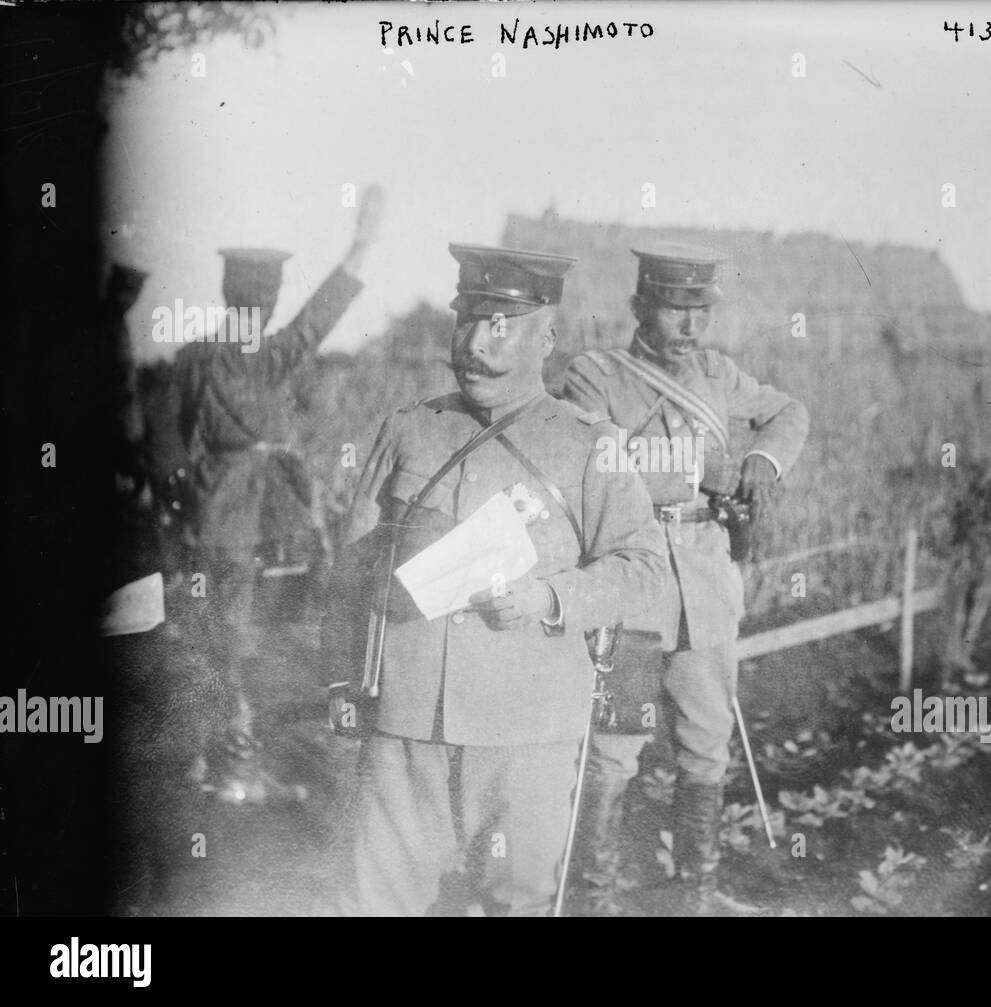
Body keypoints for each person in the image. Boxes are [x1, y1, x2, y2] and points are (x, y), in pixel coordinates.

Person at [320, 244, 668, 916]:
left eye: (503, 327)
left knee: (518, 901)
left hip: (527, 731)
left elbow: (644, 566)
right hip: (406, 724)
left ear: (549, 337)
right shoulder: (409, 430)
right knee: (371, 903)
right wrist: (344, 678)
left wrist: (550, 596)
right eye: (469, 321)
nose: (478, 344)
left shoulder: (587, 444)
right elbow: (353, 563)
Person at [562, 242, 810, 914]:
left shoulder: (722, 377)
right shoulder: (595, 377)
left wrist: (761, 460)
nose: (689, 323)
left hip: (702, 583)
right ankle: (597, 895)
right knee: (614, 748)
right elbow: (585, 468)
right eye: (675, 306)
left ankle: (694, 892)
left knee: (706, 743)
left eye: (699, 308)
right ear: (641, 306)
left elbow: (791, 414)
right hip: (631, 583)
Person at [174, 186, 384, 796]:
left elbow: (316, 321)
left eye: (263, 299)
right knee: (233, 637)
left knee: (248, 634)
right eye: (255, 297)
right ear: (237, 298)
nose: (259, 309)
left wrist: (361, 246)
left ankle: (227, 751)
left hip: (261, 515)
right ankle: (230, 759)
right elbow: (166, 446)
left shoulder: (233, 354)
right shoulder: (223, 358)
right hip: (234, 518)